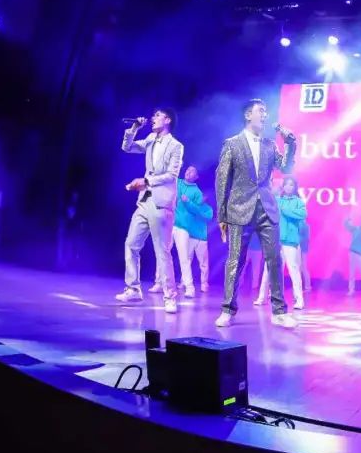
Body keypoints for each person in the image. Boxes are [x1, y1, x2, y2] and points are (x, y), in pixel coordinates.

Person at [214, 99, 298, 329]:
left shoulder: (270, 144)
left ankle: (279, 312)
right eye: (261, 111)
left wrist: (290, 144)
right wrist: (222, 215)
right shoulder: (232, 144)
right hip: (239, 209)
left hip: (267, 209)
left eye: (265, 111)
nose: (265, 115)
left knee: (275, 259)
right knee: (235, 261)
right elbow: (222, 180)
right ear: (248, 115)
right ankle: (228, 310)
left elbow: (286, 168)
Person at [116, 109, 184, 315]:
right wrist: (134, 128)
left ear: (167, 120)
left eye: (157, 115)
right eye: (153, 116)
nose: (153, 118)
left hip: (161, 203)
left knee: (162, 251)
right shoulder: (151, 139)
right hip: (144, 201)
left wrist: (146, 181)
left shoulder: (176, 145)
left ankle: (170, 296)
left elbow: (172, 175)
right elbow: (127, 147)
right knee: (131, 244)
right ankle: (133, 288)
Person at [256, 177, 307, 309]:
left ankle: (299, 300)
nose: (289, 187)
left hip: (290, 241)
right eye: (286, 185)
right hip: (276, 240)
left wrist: (286, 210)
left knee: (293, 270)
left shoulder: (298, 202)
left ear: (295, 187)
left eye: (291, 185)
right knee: (268, 269)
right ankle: (262, 297)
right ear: (283, 187)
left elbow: (303, 214)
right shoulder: (277, 200)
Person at [172, 165, 212, 298]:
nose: (202, 198)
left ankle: (204, 283)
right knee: (186, 258)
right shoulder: (179, 183)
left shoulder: (207, 208)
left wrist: (189, 203)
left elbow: (205, 215)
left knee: (203, 263)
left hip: (201, 238)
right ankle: (183, 282)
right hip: (189, 234)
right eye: (188, 170)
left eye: (204, 197)